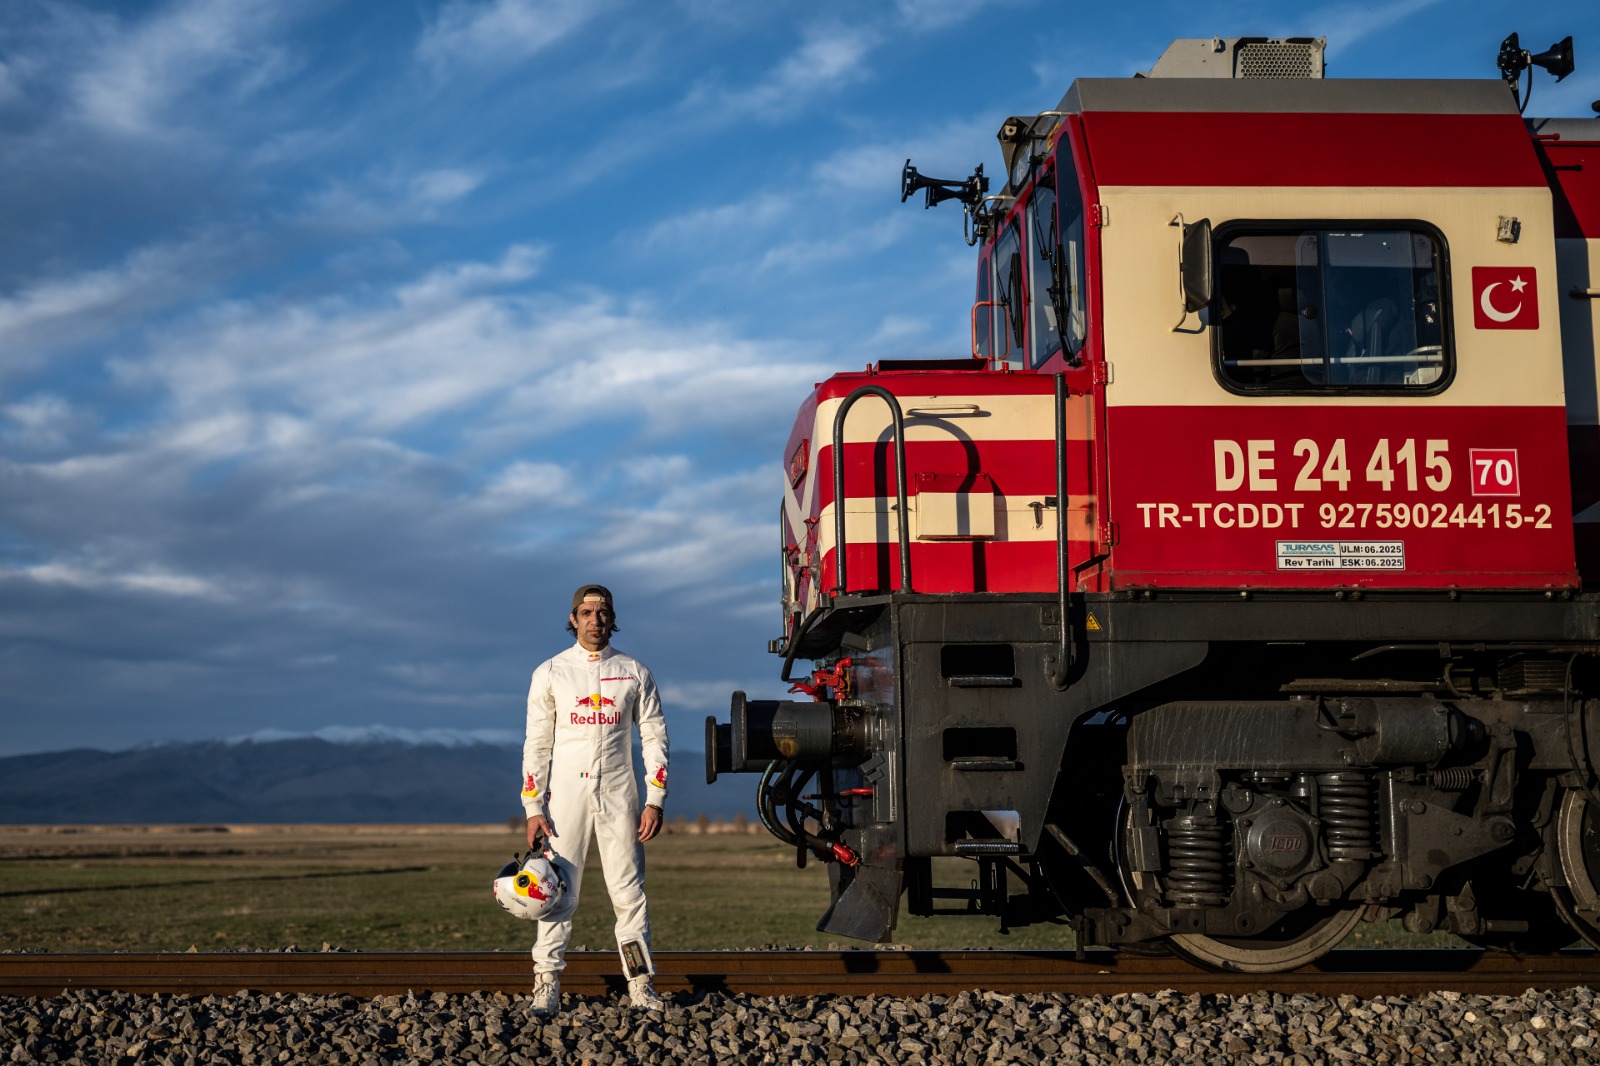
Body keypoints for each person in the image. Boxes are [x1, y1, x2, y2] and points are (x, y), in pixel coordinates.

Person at [521, 584, 669, 1017]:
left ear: (612, 618)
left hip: (620, 795)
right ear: (573, 619)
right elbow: (536, 744)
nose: (594, 620)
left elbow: (654, 738)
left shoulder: (634, 671)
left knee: (629, 893)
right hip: (566, 797)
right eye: (585, 613)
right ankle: (546, 982)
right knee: (555, 891)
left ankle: (640, 983)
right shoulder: (550, 672)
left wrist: (655, 799)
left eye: (602, 613)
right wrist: (533, 807)